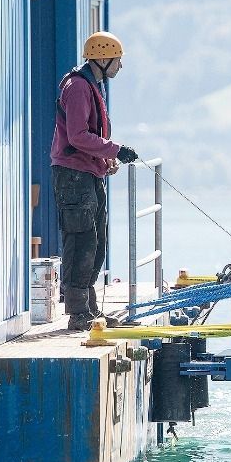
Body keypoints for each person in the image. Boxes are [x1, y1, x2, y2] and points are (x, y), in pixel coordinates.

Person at [51, 31, 139, 331]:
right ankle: (78, 313)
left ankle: (90, 308)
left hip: (87, 173)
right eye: (117, 60)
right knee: (81, 239)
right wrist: (115, 149)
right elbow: (77, 136)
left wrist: (105, 160)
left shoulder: (92, 84)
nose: (119, 67)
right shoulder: (77, 87)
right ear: (102, 58)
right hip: (73, 176)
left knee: (97, 241)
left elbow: (88, 136)